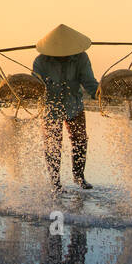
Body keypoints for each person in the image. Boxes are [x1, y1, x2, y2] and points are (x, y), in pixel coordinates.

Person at [32, 24, 99, 194]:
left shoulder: (81, 58)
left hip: (73, 103)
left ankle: (79, 176)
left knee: (80, 140)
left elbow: (89, 82)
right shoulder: (41, 61)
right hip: (49, 106)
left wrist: (100, 94)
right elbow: (35, 85)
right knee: (53, 144)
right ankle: (55, 182)